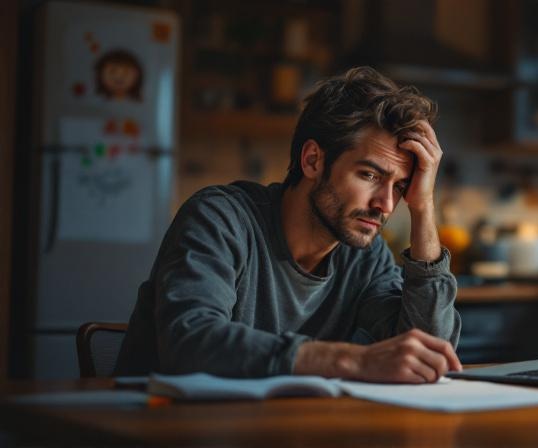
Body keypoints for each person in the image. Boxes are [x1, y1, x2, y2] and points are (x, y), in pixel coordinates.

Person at [114, 67, 462, 383]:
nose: (385, 204)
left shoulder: (363, 256)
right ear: (312, 160)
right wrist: (348, 360)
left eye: (400, 187)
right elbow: (189, 343)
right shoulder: (221, 218)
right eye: (369, 175)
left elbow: (429, 353)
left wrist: (423, 208)